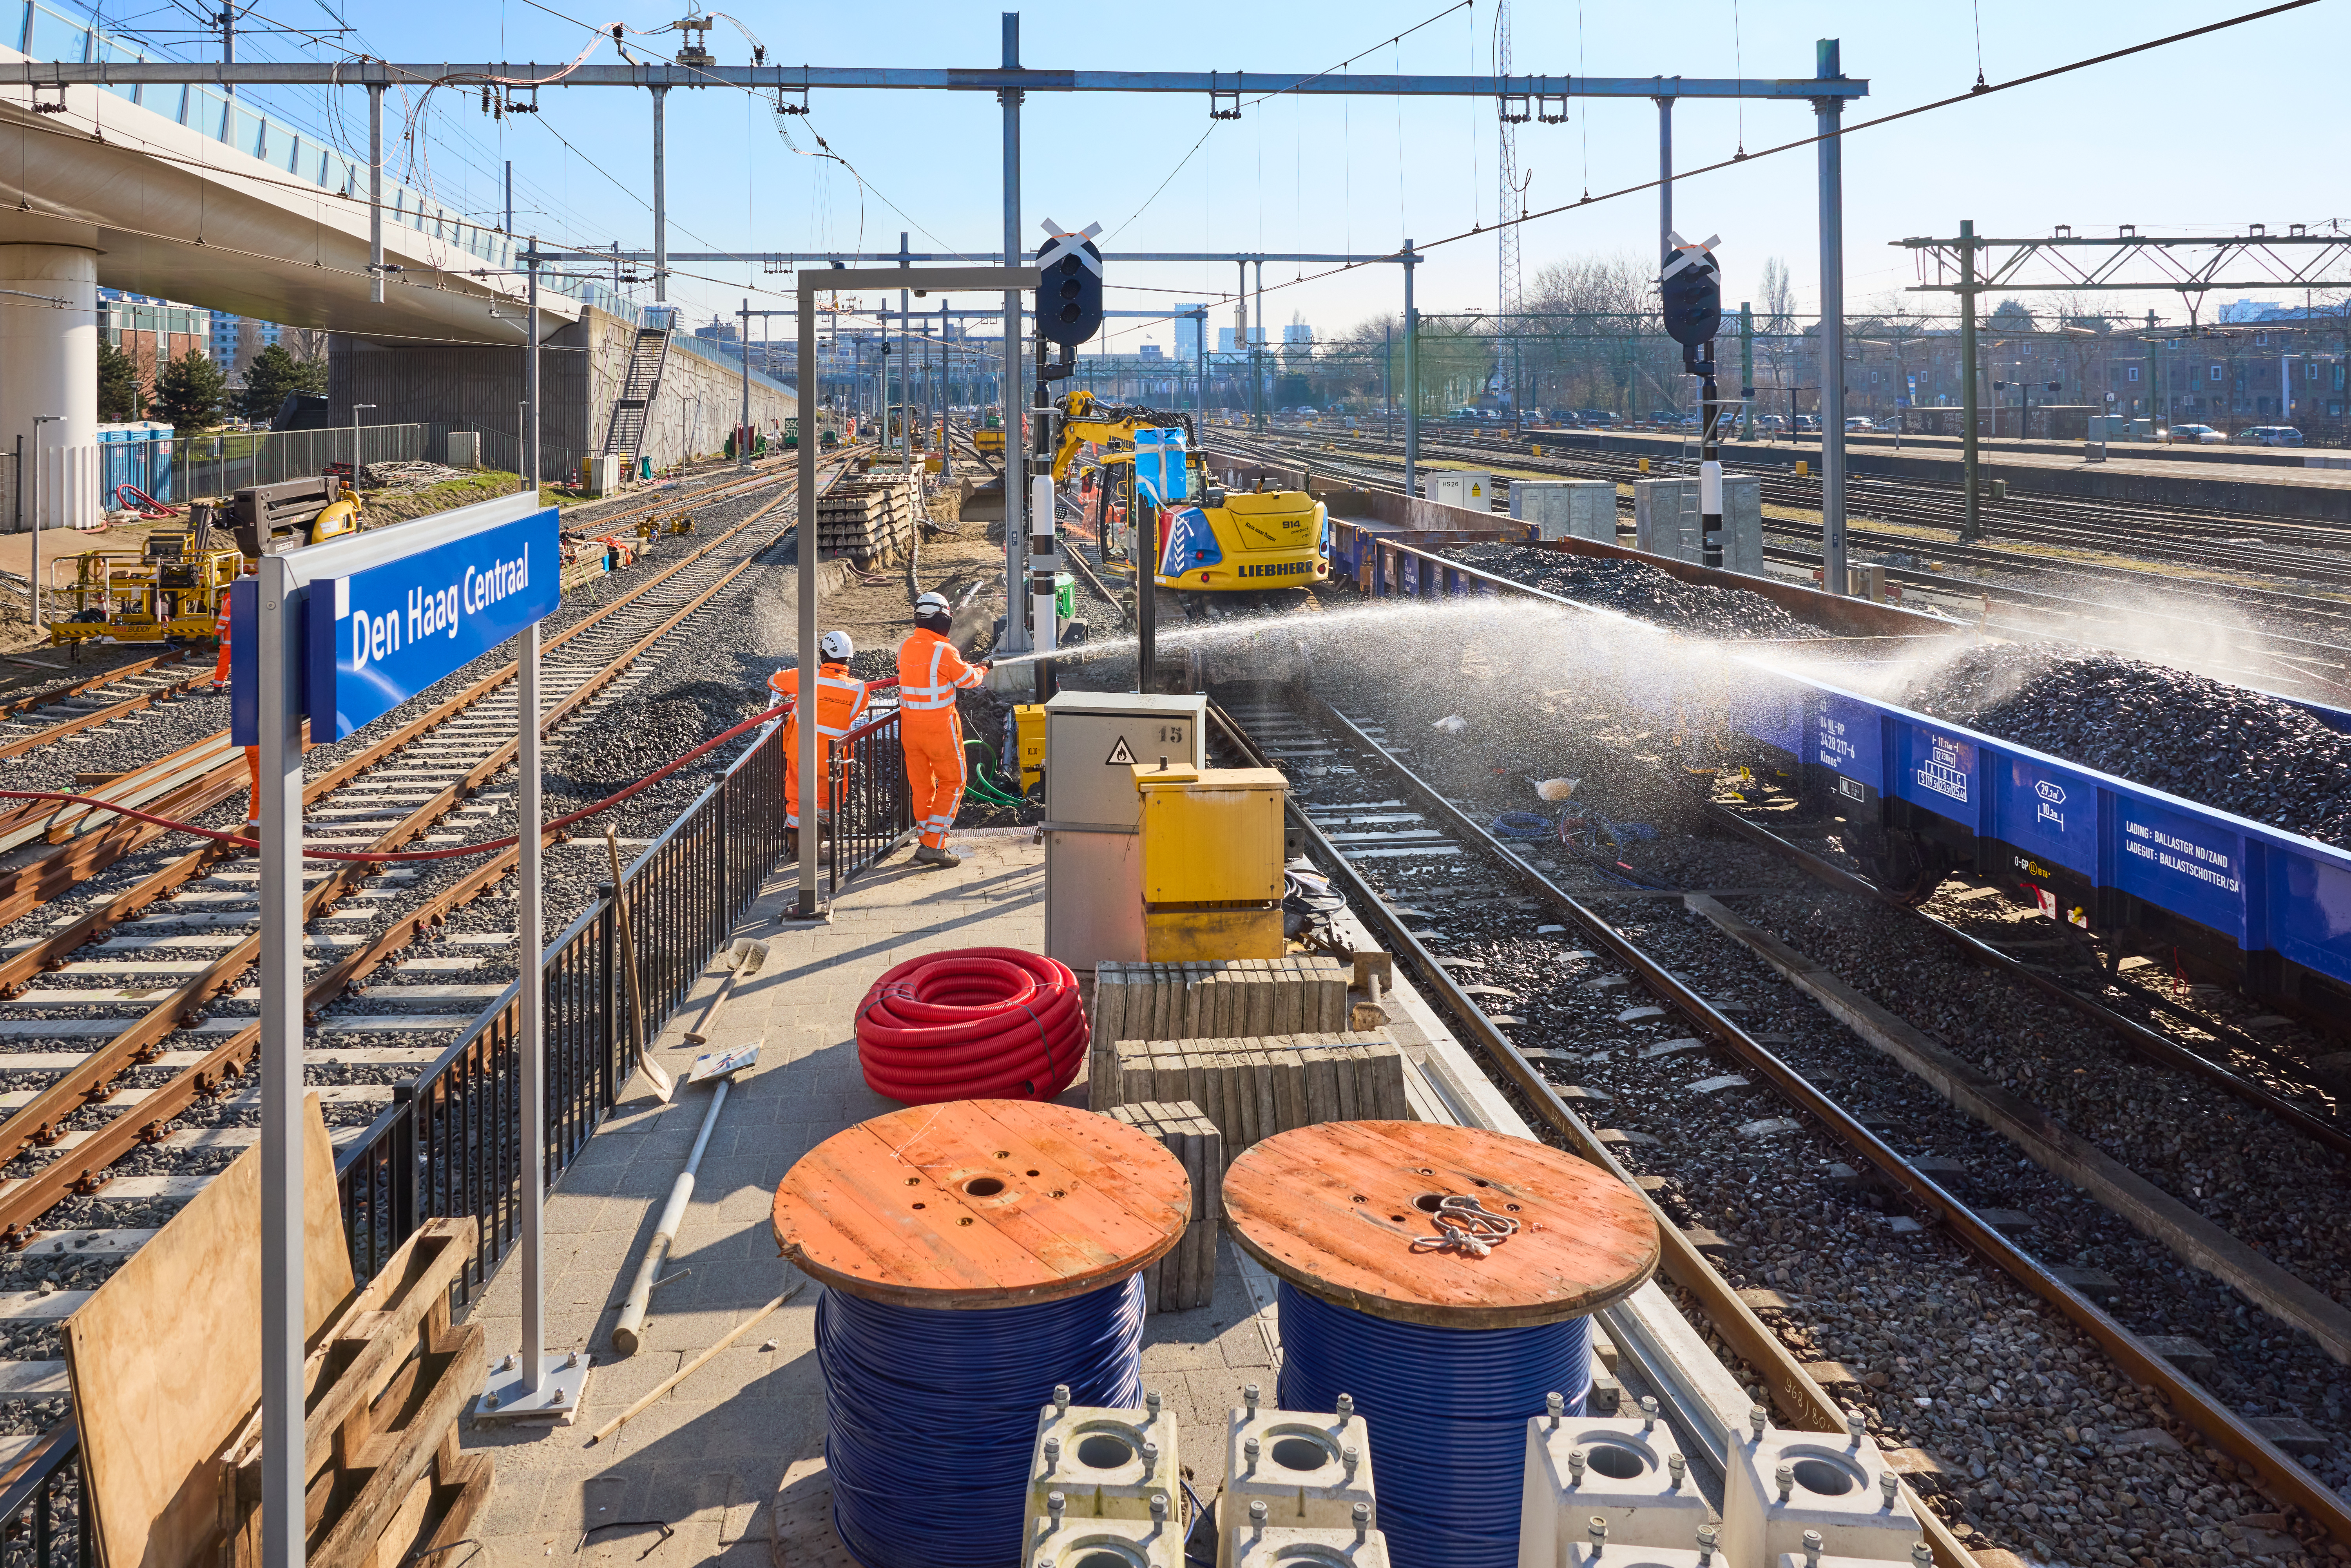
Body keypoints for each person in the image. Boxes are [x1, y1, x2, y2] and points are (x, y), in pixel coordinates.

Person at [896, 590, 990, 868]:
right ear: (941, 619)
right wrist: (984, 667)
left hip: (911, 730)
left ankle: (926, 839)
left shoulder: (905, 647)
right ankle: (934, 846)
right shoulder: (944, 651)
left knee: (923, 786)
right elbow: (968, 679)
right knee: (953, 782)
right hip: (940, 729)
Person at [768, 630, 871, 841]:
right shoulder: (860, 689)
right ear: (848, 659)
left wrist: (797, 692)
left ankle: (796, 847)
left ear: (823, 656)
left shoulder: (807, 677)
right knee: (829, 800)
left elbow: (774, 682)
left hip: (802, 752)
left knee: (798, 797)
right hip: (833, 757)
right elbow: (857, 711)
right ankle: (819, 845)